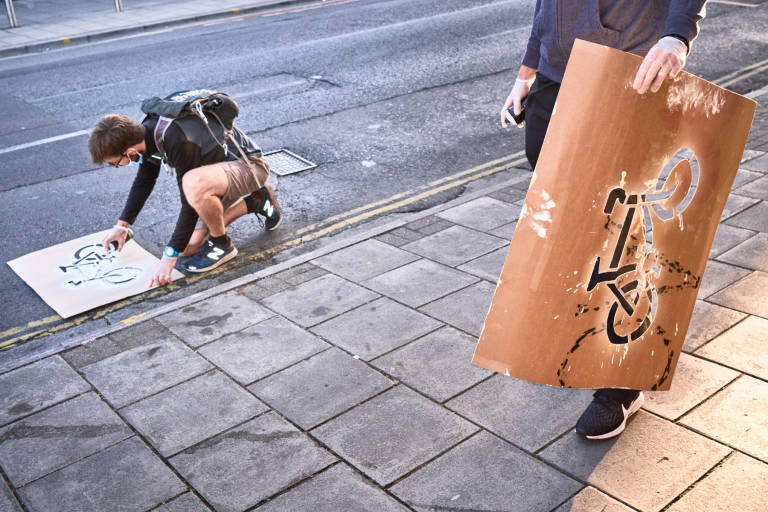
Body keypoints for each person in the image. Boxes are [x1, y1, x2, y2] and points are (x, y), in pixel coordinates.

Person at [499, 0, 708, 440]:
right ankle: (587, 333)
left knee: (623, 230)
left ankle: (624, 383)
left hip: (627, 69)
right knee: (572, 225)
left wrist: (677, 35)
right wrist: (527, 71)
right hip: (556, 79)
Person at [88, 96, 282, 288]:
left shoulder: (175, 139)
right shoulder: (146, 134)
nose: (118, 166)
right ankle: (257, 201)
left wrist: (169, 256)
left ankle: (221, 244)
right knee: (189, 246)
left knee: (192, 185)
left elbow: (189, 201)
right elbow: (144, 180)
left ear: (130, 152)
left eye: (115, 163)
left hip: (249, 168)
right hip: (216, 176)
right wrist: (122, 226)